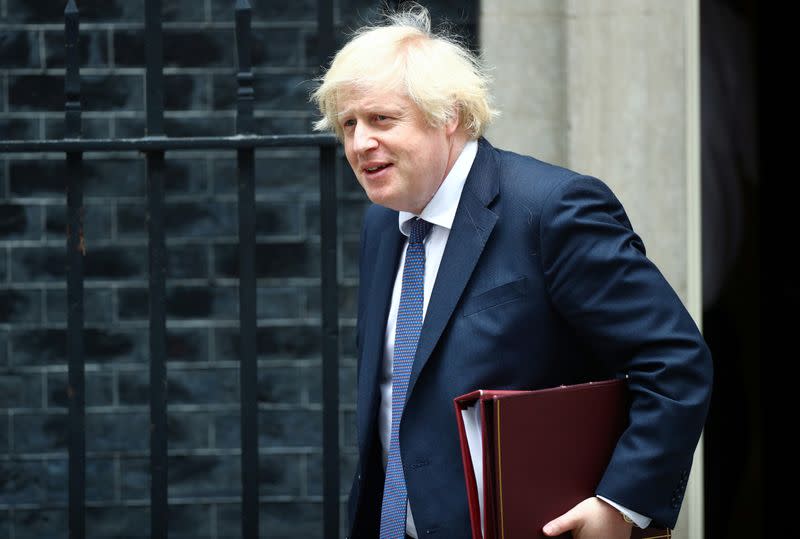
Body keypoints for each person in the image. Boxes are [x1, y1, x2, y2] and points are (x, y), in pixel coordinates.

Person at [311, 4, 712, 538]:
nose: (360, 143)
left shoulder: (553, 209)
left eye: (382, 119)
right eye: (349, 125)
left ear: (448, 115)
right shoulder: (384, 225)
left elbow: (673, 361)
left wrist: (619, 505)